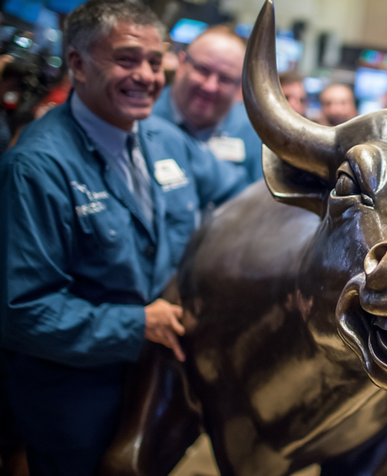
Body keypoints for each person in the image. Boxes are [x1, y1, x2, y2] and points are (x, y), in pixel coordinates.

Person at [0, 2, 247, 474]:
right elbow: (23, 313)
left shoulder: (163, 138)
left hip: (155, 383)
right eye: (127, 59)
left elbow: (241, 193)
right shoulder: (35, 169)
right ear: (77, 63)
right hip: (76, 397)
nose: (147, 76)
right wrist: (137, 324)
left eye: (155, 62)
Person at [153, 25, 264, 182]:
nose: (210, 86)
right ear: (182, 63)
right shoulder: (144, 116)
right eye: (202, 69)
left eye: (225, 78)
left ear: (239, 86)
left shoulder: (253, 131)